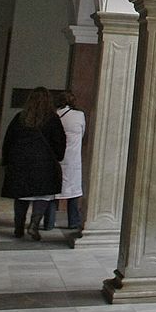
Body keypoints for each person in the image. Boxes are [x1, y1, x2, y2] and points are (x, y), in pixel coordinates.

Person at [1, 86, 65, 240]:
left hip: (21, 163)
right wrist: (58, 157)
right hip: (44, 164)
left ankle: (18, 227)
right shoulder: (52, 119)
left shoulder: (20, 117)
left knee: (21, 196)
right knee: (42, 196)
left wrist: (7, 161)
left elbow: (9, 140)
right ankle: (34, 225)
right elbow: (59, 142)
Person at [46, 90, 85, 233]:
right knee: (73, 192)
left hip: (56, 156)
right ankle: (73, 222)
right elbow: (82, 134)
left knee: (53, 192)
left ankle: (48, 222)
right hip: (73, 158)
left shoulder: (53, 116)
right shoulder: (79, 115)